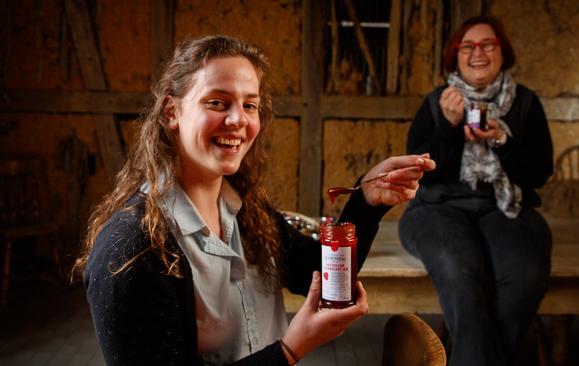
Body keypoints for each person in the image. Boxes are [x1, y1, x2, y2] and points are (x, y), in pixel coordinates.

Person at [74, 35, 435, 366]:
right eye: (217, 102)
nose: (238, 120)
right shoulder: (129, 251)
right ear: (171, 112)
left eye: (250, 105)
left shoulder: (245, 211)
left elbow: (321, 271)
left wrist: (367, 202)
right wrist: (290, 350)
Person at [398, 16, 553, 366]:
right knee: (460, 275)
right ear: (456, 56)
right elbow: (420, 173)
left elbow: (540, 173)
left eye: (488, 45)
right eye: (467, 46)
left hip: (505, 207)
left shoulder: (525, 103)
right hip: (438, 207)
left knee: (524, 276)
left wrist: (501, 139)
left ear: (503, 52)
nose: (477, 53)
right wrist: (450, 128)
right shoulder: (438, 101)